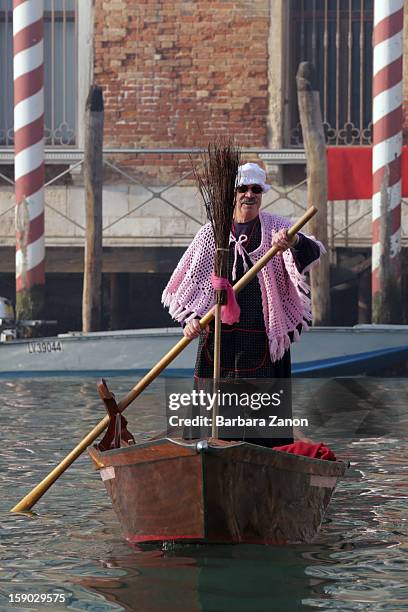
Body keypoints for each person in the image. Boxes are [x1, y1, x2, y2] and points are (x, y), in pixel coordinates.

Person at [162, 162, 324, 446]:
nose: (249, 195)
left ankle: (263, 454)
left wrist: (293, 240)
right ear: (232, 192)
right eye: (243, 189)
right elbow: (188, 285)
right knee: (214, 412)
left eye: (256, 190)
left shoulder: (278, 227)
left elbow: (311, 250)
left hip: (262, 335)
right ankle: (210, 448)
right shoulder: (212, 233)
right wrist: (189, 321)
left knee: (261, 419)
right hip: (220, 337)